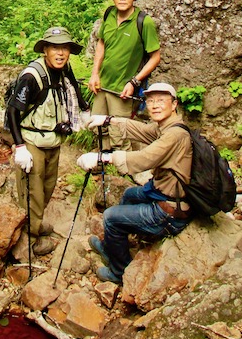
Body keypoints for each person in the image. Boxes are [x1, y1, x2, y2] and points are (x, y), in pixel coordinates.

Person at [77, 82, 192, 284]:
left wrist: (103, 158)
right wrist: (109, 120)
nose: (154, 105)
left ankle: (119, 272)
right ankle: (112, 247)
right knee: (130, 195)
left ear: (174, 104)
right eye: (151, 100)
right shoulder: (168, 127)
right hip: (162, 193)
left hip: (170, 212)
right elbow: (143, 131)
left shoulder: (176, 135)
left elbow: (144, 158)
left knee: (111, 218)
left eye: (161, 100)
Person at [7, 26, 89, 256]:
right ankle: (28, 242)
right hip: (32, 142)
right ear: (45, 50)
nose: (60, 53)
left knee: (47, 187)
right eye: (55, 47)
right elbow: (12, 111)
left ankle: (35, 222)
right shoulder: (31, 77)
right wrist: (20, 147)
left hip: (53, 141)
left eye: (65, 48)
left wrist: (84, 110)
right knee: (32, 192)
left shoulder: (63, 70)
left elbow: (74, 86)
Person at [87, 0, 161, 149]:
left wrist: (134, 82)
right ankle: (104, 160)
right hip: (102, 86)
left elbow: (155, 57)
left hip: (122, 90)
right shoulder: (109, 14)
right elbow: (101, 43)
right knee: (98, 128)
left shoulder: (144, 22)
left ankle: (125, 164)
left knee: (120, 135)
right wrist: (95, 74)